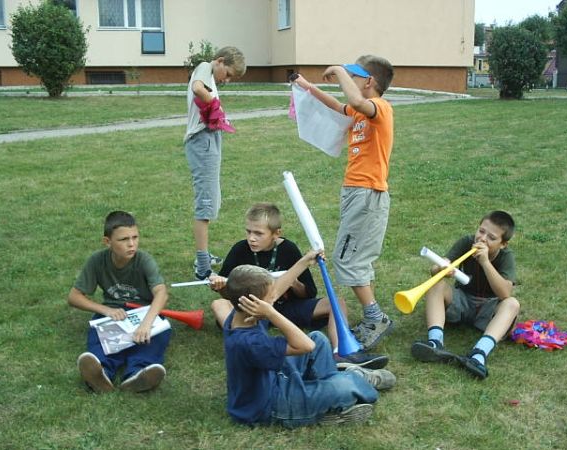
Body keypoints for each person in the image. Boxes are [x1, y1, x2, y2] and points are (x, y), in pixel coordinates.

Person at [291, 55, 396, 350]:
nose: (347, 81)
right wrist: (308, 88)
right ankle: (371, 316)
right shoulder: (359, 112)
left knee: (346, 259)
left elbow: (357, 103)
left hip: (367, 193)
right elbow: (339, 107)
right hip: (355, 192)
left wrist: (337, 71)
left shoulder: (380, 109)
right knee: (357, 259)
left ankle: (376, 317)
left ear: (368, 81)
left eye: (352, 77)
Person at [221, 253, 396, 428]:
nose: (274, 298)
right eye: (269, 299)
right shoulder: (250, 342)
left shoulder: (241, 314)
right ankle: (344, 390)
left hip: (273, 378)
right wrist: (271, 313)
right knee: (344, 385)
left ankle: (328, 389)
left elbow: (276, 291)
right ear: (256, 303)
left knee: (319, 339)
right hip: (270, 405)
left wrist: (305, 261)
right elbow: (305, 345)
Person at [210, 202, 388, 369]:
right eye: (248, 232)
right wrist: (221, 286)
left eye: (258, 233)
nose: (251, 238)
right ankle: (241, 338)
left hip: (287, 308)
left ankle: (340, 354)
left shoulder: (288, 249)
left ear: (276, 233)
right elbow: (230, 292)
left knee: (337, 302)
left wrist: (293, 283)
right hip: (252, 311)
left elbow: (308, 293)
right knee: (218, 305)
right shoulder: (240, 249)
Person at [68, 211, 171, 393]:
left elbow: (161, 293)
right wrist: (105, 310)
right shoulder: (97, 261)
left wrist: (146, 324)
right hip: (113, 312)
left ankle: (138, 374)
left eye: (135, 237)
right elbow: (74, 297)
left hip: (144, 312)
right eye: (123, 239)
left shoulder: (144, 260)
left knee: (152, 339)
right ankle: (100, 371)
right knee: (100, 338)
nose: (131, 244)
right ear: (107, 242)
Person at [410, 211, 520, 379]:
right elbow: (434, 271)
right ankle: (435, 342)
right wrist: (441, 268)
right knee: (436, 284)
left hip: (489, 309)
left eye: (491, 237)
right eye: (481, 231)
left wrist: (485, 262)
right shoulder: (467, 242)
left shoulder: (506, 257)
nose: (482, 239)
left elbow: (505, 293)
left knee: (512, 304)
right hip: (462, 300)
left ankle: (479, 354)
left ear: (503, 244)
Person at [184, 46, 247, 280]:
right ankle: (202, 265)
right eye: (228, 74)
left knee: (212, 198)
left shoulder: (210, 74)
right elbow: (197, 88)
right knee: (206, 202)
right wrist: (215, 105)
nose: (227, 80)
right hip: (201, 141)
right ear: (220, 61)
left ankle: (205, 254)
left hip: (210, 139)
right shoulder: (204, 68)